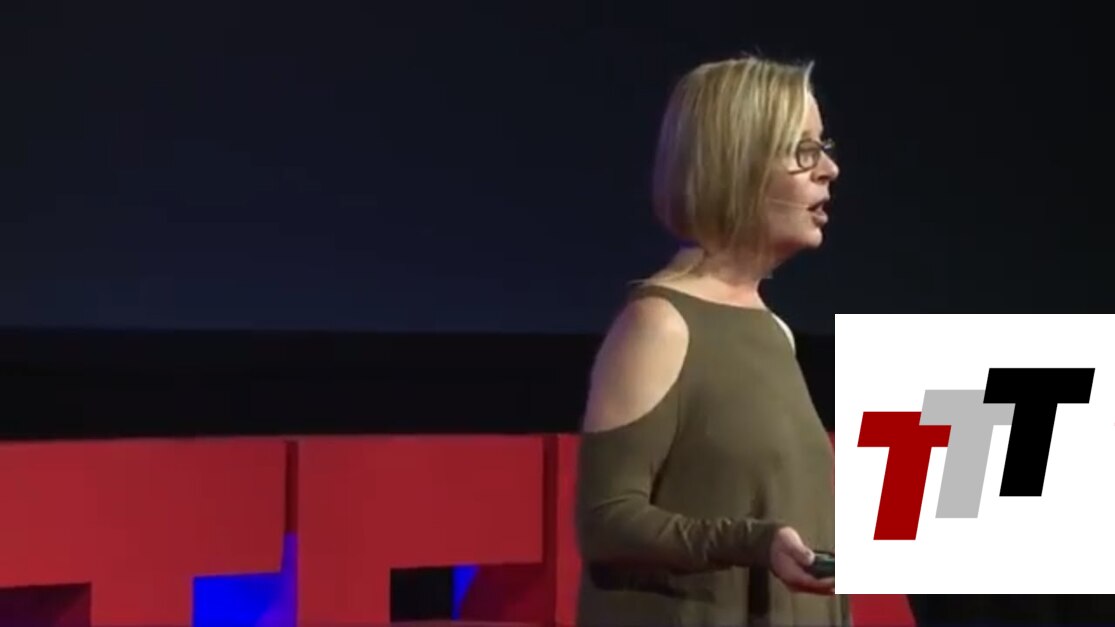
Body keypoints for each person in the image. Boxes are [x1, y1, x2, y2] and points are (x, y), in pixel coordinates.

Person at [573, 54, 846, 626]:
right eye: (803, 151)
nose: (829, 169)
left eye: (824, 147)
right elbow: (606, 520)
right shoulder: (660, 324)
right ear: (737, 165)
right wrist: (753, 543)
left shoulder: (774, 331)